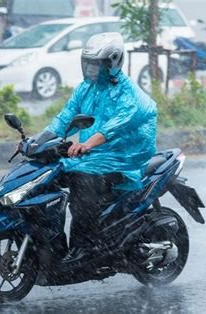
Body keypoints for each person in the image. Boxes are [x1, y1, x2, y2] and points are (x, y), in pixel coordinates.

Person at [45, 32, 158, 265]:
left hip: (123, 157)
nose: (91, 70)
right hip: (93, 154)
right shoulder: (86, 88)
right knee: (49, 176)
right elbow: (64, 118)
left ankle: (85, 246)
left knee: (82, 183)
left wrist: (86, 144)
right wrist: (40, 140)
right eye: (88, 64)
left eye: (97, 65)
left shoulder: (129, 95)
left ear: (113, 63)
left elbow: (114, 127)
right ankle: (49, 243)